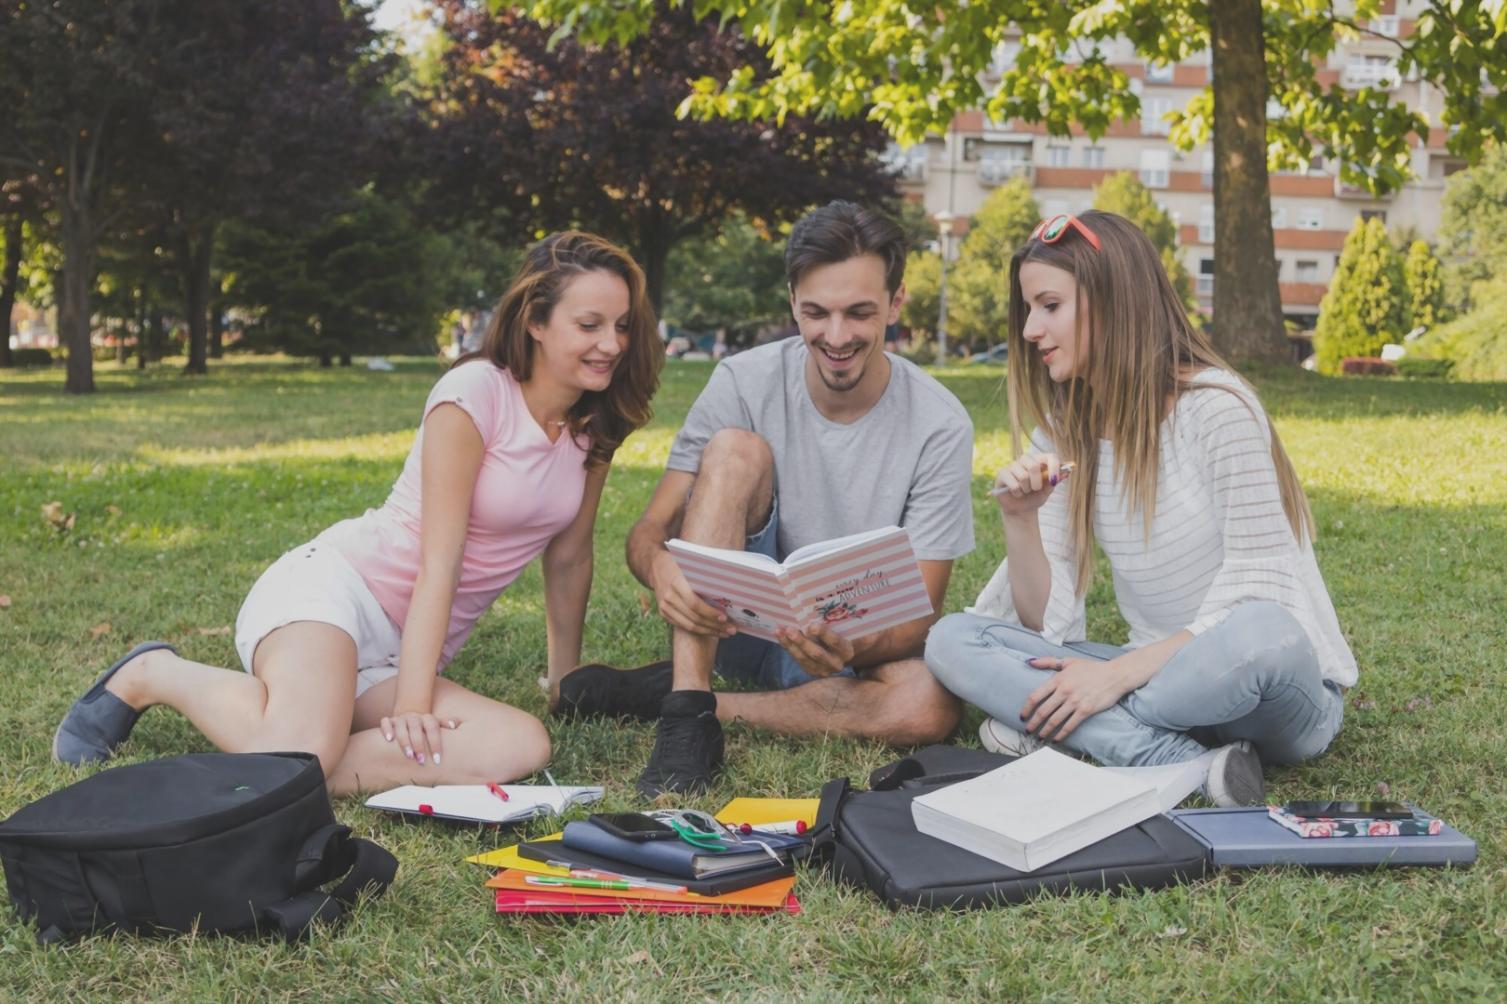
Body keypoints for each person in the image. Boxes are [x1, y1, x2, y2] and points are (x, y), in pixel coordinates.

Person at [53, 232, 663, 795]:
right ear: (534, 321)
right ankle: (156, 674)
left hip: (400, 653)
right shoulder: (476, 393)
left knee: (520, 743)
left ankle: (289, 760)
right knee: (303, 752)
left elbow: (569, 555)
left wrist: (564, 681)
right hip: (335, 597)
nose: (611, 344)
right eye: (589, 325)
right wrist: (414, 706)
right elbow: (440, 561)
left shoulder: (594, 422)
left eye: (622, 326)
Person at [923, 211, 1357, 806]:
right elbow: (1045, 625)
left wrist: (1115, 677)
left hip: (1262, 686)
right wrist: (1020, 519)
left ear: (1112, 302)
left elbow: (1261, 597)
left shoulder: (1219, 409)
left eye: (1050, 306)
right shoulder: (1066, 431)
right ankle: (1177, 760)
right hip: (1155, 677)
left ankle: (1074, 733)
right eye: (1028, 309)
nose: (1029, 329)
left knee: (1259, 629)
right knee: (952, 639)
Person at [556, 201, 976, 796]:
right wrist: (661, 569)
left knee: (928, 706)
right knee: (735, 449)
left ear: (896, 302)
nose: (836, 337)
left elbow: (917, 619)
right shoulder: (742, 379)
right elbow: (648, 532)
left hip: (847, 648)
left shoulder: (939, 423)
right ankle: (687, 717)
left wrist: (850, 644)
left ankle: (677, 697)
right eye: (816, 313)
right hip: (732, 627)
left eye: (859, 313)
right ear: (792, 303)